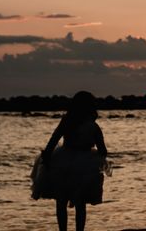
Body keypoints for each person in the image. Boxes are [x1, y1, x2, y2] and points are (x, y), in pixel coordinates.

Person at [31, 91, 110, 231]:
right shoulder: (93, 126)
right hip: (84, 165)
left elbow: (53, 140)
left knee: (61, 201)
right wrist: (98, 159)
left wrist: (47, 156)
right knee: (81, 203)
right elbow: (103, 150)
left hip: (62, 161)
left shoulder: (67, 121)